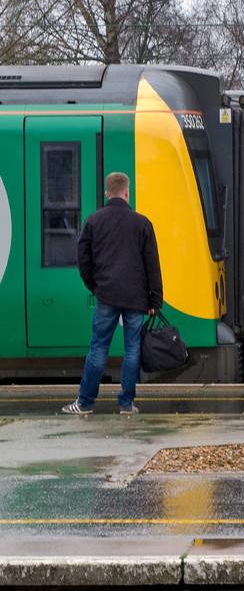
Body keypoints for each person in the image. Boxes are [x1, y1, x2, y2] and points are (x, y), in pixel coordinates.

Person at [62, 172, 163, 415]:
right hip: (136, 299)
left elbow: (82, 259)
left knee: (98, 348)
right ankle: (126, 404)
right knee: (132, 351)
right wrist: (155, 300)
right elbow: (153, 265)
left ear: (107, 193)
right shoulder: (142, 223)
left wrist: (95, 286)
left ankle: (85, 403)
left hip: (106, 296)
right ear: (127, 192)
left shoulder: (94, 220)